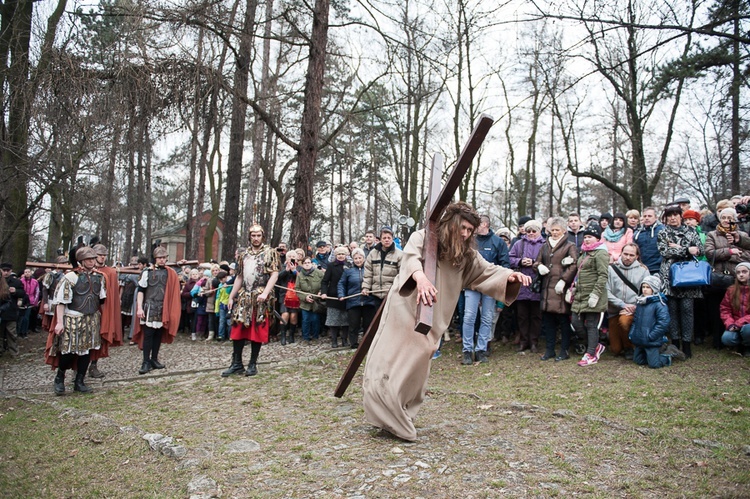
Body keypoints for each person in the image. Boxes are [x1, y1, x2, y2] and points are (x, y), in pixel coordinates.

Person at [362, 202, 530, 441]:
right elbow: (410, 259)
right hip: (406, 306)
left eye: (470, 230)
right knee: (390, 358)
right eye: (462, 227)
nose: (465, 234)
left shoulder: (465, 255)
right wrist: (420, 278)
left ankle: (402, 411)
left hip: (434, 315)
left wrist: (509, 276)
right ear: (450, 222)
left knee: (419, 360)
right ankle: (389, 415)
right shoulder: (422, 236)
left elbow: (487, 271)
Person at [45, 247, 106, 394]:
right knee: (69, 352)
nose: (92, 262)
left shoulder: (99, 277)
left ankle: (80, 381)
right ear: (81, 261)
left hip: (91, 319)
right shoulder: (71, 277)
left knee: (86, 352)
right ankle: (60, 378)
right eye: (88, 259)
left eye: (93, 259)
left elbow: (102, 300)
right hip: (73, 318)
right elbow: (61, 302)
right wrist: (59, 322)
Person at [222, 224, 280, 377]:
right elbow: (239, 277)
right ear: (249, 237)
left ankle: (252, 364)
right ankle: (237, 363)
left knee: (257, 329)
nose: (256, 238)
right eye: (253, 236)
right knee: (238, 328)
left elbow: (274, 274)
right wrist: (231, 296)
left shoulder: (270, 253)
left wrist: (265, 293)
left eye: (258, 235)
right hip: (244, 296)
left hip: (260, 295)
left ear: (262, 236)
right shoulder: (243, 254)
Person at [461, 214, 510, 364]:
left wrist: (500, 282)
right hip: (471, 283)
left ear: (484, 225)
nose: (473, 228)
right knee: (469, 316)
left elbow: (505, 264)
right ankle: (467, 350)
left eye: (477, 224)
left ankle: (482, 349)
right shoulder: (469, 241)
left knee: (487, 317)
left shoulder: (498, 242)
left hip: (490, 284)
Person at [657, 205, 704, 359]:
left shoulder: (691, 231)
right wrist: (685, 250)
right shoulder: (663, 233)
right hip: (669, 275)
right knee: (672, 309)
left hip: (688, 276)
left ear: (680, 216)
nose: (673, 218)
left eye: (675, 215)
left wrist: (683, 248)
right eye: (669, 215)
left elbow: (700, 250)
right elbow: (664, 251)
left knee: (687, 309)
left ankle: (687, 343)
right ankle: (675, 342)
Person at [534, 216, 578, 361]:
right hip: (547, 287)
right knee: (548, 321)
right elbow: (537, 261)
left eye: (557, 230)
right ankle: (549, 349)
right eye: (552, 230)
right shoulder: (545, 245)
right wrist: (539, 266)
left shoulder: (570, 246)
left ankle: (564, 350)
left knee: (563, 321)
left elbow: (574, 264)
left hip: (560, 289)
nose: (554, 232)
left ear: (564, 231)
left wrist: (564, 280)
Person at [132, 247, 182, 374]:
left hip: (163, 307)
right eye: (160, 258)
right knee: (148, 335)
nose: (162, 260)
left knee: (158, 335)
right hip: (149, 306)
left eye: (164, 258)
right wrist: (139, 307)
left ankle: (154, 359)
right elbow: (141, 291)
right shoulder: (146, 272)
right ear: (155, 259)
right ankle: (145, 361)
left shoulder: (169, 273)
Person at [570, 227, 610, 366]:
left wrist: (595, 294)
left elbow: (603, 275)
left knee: (592, 325)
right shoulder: (584, 253)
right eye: (585, 237)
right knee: (576, 322)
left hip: (593, 294)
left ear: (598, 239)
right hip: (581, 295)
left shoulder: (601, 254)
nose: (586, 239)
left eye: (590, 237)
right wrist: (575, 288)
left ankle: (591, 353)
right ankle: (596, 346)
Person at [628, 275, 684, 368]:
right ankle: (651, 356)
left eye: (648, 287)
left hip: (651, 340)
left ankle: (668, 354)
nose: (645, 289)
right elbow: (635, 321)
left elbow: (663, 322)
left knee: (654, 365)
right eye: (643, 287)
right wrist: (632, 333)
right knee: (638, 361)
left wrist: (652, 336)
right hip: (640, 339)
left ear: (654, 288)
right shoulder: (640, 302)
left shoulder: (659, 304)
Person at [606, 243, 649, 358]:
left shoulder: (643, 270)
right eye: (625, 254)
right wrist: (621, 304)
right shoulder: (611, 268)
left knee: (624, 322)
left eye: (631, 255)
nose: (628, 257)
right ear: (621, 253)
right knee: (615, 350)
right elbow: (606, 291)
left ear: (636, 257)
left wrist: (635, 306)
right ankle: (614, 338)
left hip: (633, 309)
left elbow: (647, 292)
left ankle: (629, 347)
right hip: (614, 309)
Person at [508, 219, 545, 353]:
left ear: (539, 231)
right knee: (522, 316)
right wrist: (520, 261)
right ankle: (524, 341)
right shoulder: (519, 244)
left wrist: (534, 262)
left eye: (534, 231)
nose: (530, 233)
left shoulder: (545, 244)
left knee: (536, 316)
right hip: (522, 285)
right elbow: (509, 258)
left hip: (537, 284)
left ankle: (534, 342)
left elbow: (548, 260)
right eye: (528, 231)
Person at [89, 244, 123, 379]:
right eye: (99, 255)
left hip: (103, 310)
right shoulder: (86, 270)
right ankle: (78, 368)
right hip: (88, 309)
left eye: (104, 255)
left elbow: (112, 295)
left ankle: (93, 365)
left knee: (98, 338)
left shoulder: (111, 272)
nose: (102, 257)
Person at [338, 248, 377, 349]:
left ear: (364, 258)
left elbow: (375, 282)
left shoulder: (370, 270)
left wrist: (369, 289)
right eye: (356, 258)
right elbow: (341, 284)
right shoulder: (348, 271)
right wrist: (341, 294)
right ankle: (354, 343)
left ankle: (367, 343)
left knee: (368, 324)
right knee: (353, 325)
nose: (358, 260)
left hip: (368, 302)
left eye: (360, 258)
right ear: (353, 259)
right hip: (353, 302)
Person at [362, 226, 403, 308]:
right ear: (380, 239)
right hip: (376, 294)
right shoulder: (373, 253)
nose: (386, 240)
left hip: (392, 294)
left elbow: (402, 274)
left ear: (392, 239)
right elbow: (368, 272)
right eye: (384, 238)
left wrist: (398, 289)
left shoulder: (399, 254)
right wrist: (366, 287)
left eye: (389, 238)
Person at [321, 246, 351, 348]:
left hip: (347, 296)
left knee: (346, 320)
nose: (341, 256)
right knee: (333, 320)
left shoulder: (350, 265)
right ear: (335, 255)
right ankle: (334, 341)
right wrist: (324, 293)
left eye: (343, 254)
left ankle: (344, 340)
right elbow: (325, 281)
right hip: (333, 296)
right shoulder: (331, 266)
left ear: (346, 255)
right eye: (339, 254)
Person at [719, 262, 750, 356]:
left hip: (747, 325)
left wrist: (739, 323)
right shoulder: (731, 290)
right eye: (738, 272)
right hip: (735, 324)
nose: (741, 274)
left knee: (747, 329)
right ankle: (740, 344)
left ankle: (747, 346)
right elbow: (725, 309)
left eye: (744, 272)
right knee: (727, 338)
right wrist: (730, 324)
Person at [0, 263, 26, 358]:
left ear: (11, 271)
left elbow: (23, 293)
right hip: (1, 312)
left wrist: (15, 291)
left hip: (11, 312)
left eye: (8, 271)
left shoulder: (16, 282)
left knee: (12, 333)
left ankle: (14, 351)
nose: (6, 273)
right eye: (4, 270)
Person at [296, 256, 325, 342]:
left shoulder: (319, 273)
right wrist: (305, 297)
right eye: (305, 263)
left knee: (315, 319)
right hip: (305, 303)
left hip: (316, 301)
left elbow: (325, 283)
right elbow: (297, 289)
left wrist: (321, 292)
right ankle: (306, 338)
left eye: (309, 263)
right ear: (302, 264)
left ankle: (315, 337)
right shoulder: (300, 275)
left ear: (312, 264)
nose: (307, 264)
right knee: (305, 320)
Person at [40, 256, 70, 333]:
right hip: (52, 300)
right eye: (63, 263)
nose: (65, 264)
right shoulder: (51, 275)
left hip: (64, 302)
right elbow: (45, 289)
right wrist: (46, 303)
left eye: (66, 263)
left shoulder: (68, 274)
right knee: (52, 322)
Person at [634, 207, 664, 275]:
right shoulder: (637, 233)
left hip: (657, 269)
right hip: (641, 269)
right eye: (645, 216)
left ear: (656, 218)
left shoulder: (663, 231)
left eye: (649, 216)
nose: (647, 218)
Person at [18, 268, 39, 337]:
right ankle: (19, 331)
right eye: (26, 272)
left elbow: (37, 292)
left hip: (31, 300)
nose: (27, 273)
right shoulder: (20, 281)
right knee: (21, 317)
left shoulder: (35, 282)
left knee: (26, 317)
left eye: (28, 272)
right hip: (22, 300)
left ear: (31, 273)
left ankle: (25, 331)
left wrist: (35, 302)